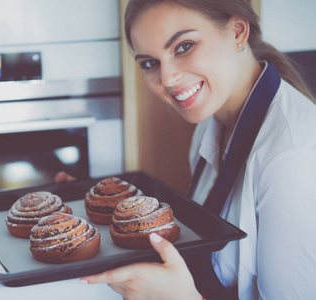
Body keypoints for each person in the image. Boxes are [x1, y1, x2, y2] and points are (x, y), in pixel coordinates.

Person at [74, 0, 316, 299]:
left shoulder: (292, 158)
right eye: (150, 63)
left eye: (184, 46)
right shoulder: (209, 124)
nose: (167, 79)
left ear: (238, 31)